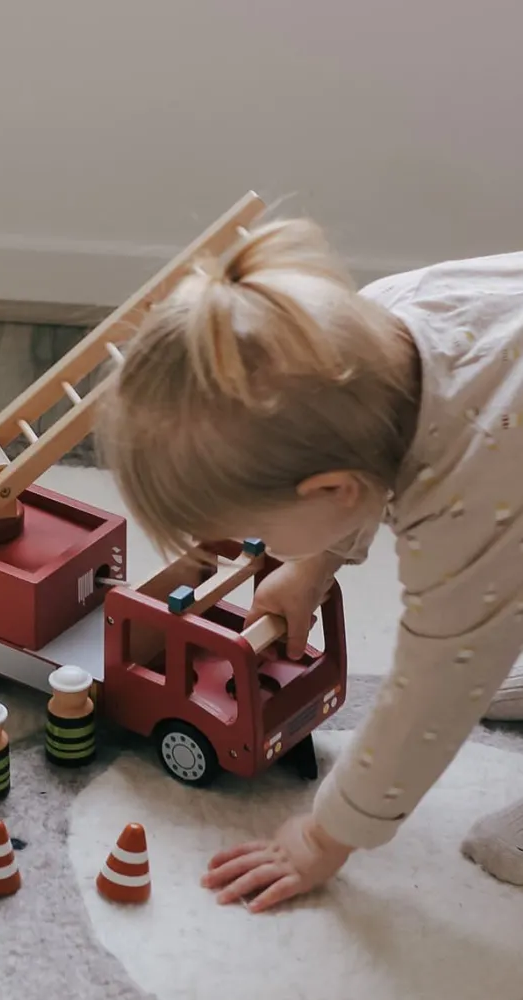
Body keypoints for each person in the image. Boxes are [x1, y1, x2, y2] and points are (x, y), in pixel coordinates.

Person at [96, 216, 523, 913]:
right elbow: (364, 472)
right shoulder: (377, 325)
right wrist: (314, 567)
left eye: (253, 533)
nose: (249, 550)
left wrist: (330, 834)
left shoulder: (471, 502)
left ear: (328, 491)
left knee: (484, 622)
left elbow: (437, 688)